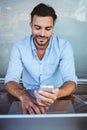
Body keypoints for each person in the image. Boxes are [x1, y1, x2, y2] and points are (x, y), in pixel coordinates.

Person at [5, 3, 77, 114]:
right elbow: (10, 80)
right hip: (26, 99)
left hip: (57, 98)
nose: (42, 34)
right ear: (31, 25)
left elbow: (71, 81)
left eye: (48, 29)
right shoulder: (19, 47)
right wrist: (23, 96)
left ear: (53, 28)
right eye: (37, 28)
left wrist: (57, 93)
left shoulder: (64, 46)